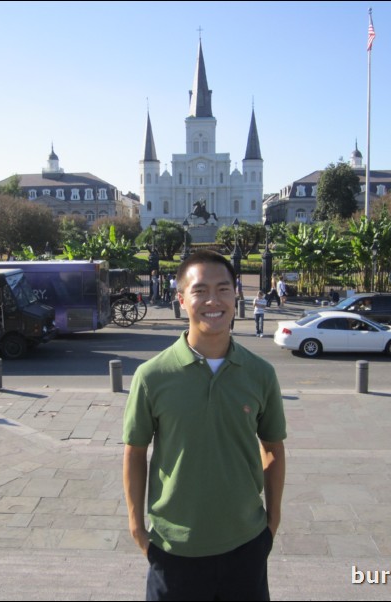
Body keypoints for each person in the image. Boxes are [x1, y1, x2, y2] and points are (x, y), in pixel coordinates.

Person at [123, 250, 286, 601]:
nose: (213, 300)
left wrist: (271, 525)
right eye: (200, 291)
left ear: (237, 294)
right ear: (181, 300)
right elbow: (135, 453)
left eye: (223, 289)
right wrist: (138, 528)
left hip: (246, 545)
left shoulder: (260, 373)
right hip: (173, 551)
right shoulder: (152, 376)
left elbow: (273, 449)